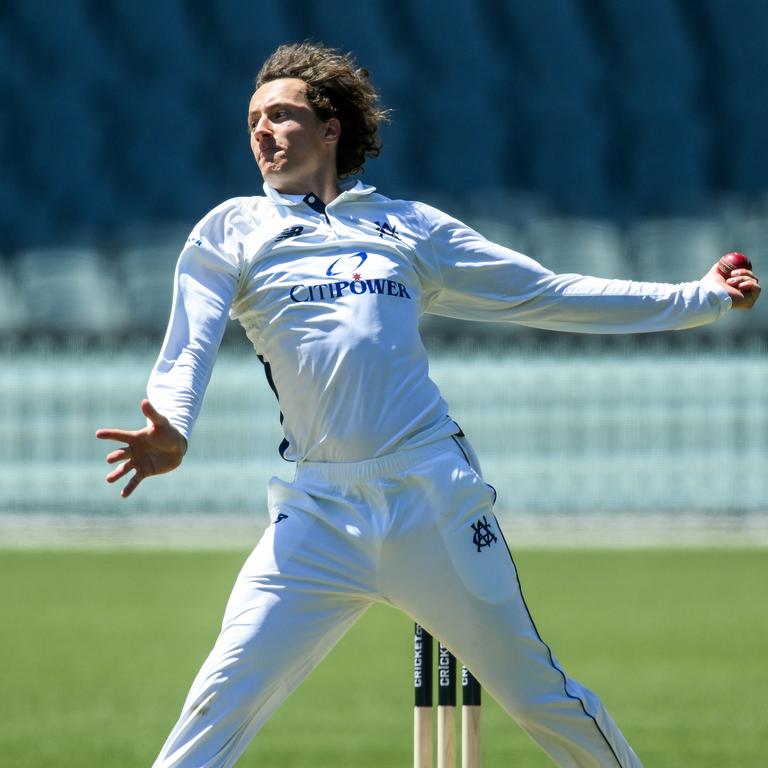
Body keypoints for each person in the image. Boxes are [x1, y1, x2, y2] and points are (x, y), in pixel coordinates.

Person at [96, 41, 760, 768]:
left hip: (431, 500)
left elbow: (546, 292)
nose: (262, 131)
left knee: (540, 696)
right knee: (217, 702)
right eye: (253, 119)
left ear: (330, 129)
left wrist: (697, 299)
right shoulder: (231, 229)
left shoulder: (407, 228)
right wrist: (175, 425)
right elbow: (188, 342)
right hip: (316, 516)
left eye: (282, 116)